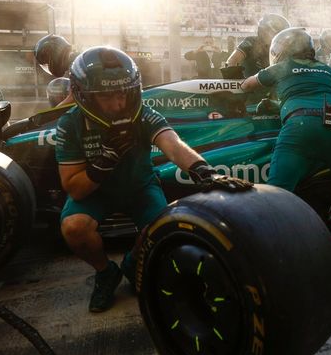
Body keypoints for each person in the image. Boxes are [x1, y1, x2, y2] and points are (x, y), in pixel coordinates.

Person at [55, 46, 250, 312]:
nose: (118, 104)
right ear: (85, 97)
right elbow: (75, 189)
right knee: (74, 228)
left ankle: (133, 264)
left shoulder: (143, 115)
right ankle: (105, 273)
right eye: (106, 97)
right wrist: (104, 163)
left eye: (122, 93)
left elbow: (173, 145)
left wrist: (204, 171)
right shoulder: (70, 124)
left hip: (140, 187)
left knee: (161, 232)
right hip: (95, 193)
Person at [241, 28, 331, 264]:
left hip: (299, 126)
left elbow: (247, 85)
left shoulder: (281, 67)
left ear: (282, 50)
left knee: (277, 191)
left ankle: (275, 248)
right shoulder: (327, 70)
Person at [225, 13, 290, 78]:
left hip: (273, 84)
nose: (281, 39)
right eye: (278, 34)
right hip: (250, 85)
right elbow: (231, 62)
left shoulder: (282, 48)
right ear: (264, 31)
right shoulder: (251, 41)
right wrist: (241, 82)